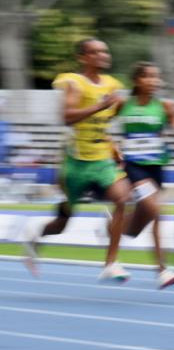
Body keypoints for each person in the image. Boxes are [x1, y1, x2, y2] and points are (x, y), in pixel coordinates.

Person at [23, 38, 133, 281]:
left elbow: (104, 123)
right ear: (83, 57)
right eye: (96, 52)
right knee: (63, 224)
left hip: (102, 159)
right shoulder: (74, 83)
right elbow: (67, 117)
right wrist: (101, 105)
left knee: (123, 198)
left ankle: (111, 263)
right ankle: (36, 232)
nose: (103, 55)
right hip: (76, 163)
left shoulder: (113, 84)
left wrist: (113, 145)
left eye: (105, 51)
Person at [116, 61, 174, 288]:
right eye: (148, 77)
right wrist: (110, 147)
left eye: (157, 77)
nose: (154, 81)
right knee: (156, 210)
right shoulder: (123, 104)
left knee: (135, 227)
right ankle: (162, 269)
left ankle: (110, 227)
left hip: (156, 168)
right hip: (134, 167)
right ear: (136, 80)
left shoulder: (165, 106)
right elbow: (99, 125)